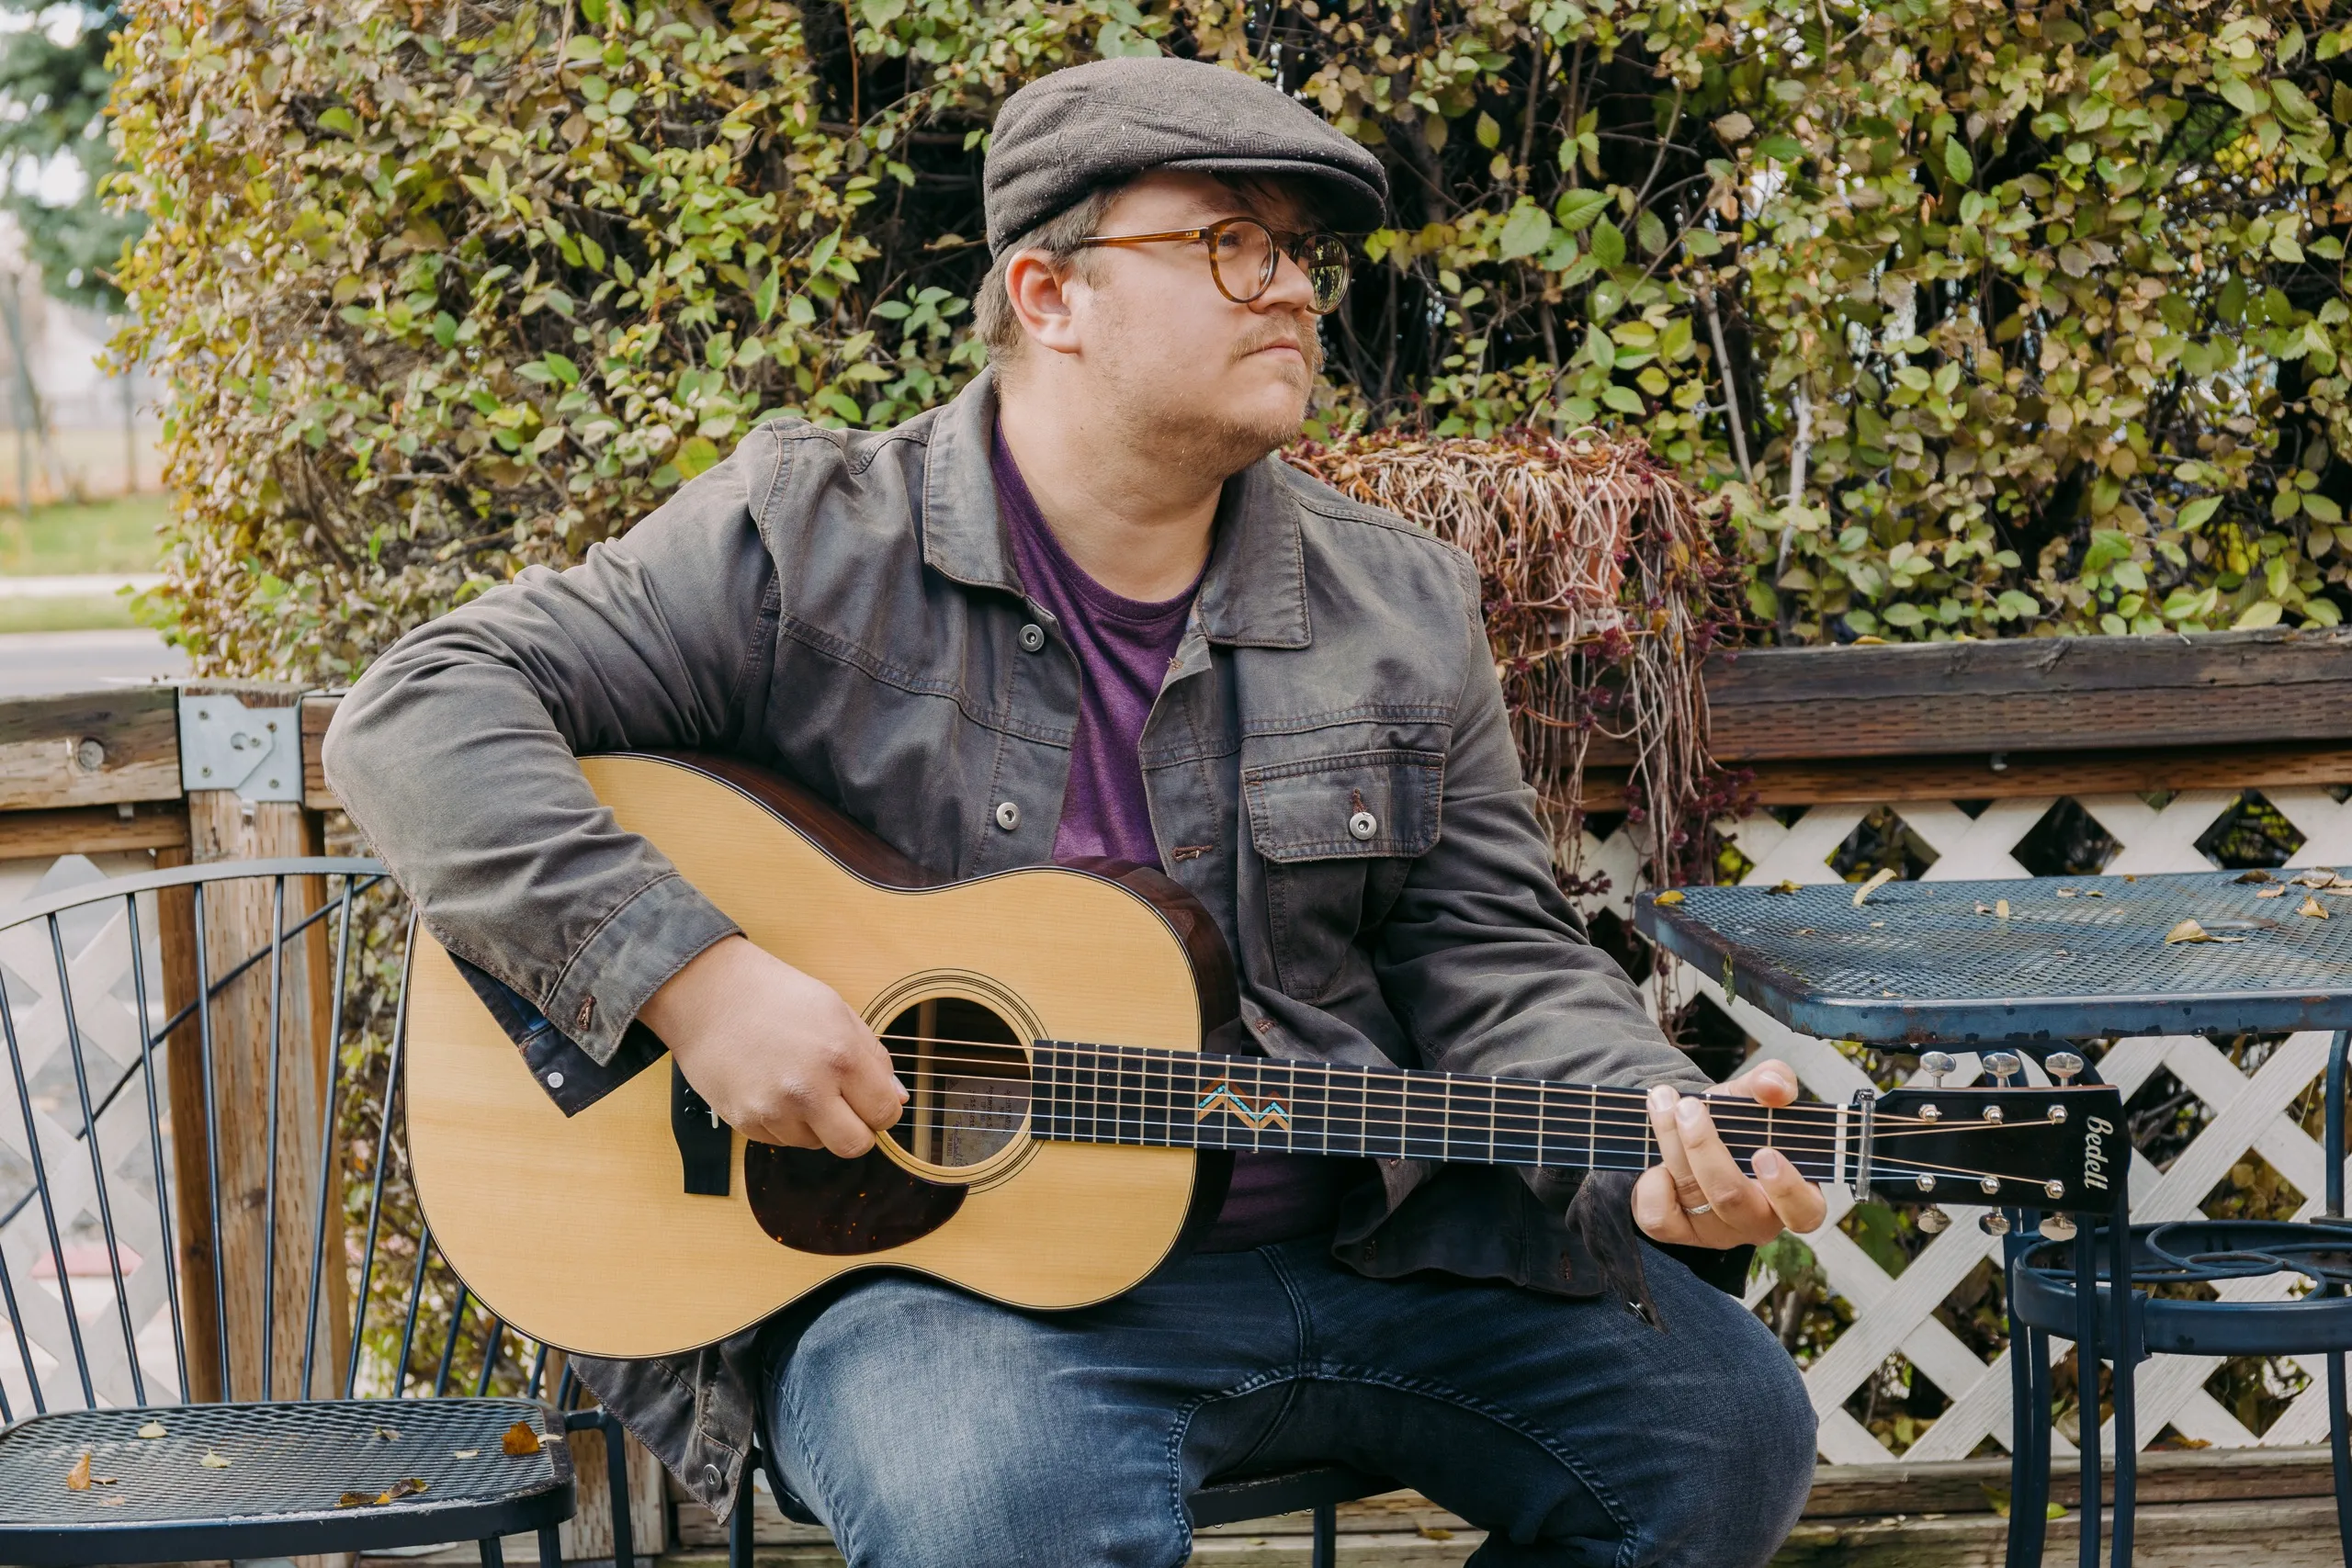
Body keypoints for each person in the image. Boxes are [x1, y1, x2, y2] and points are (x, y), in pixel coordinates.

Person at [325, 55, 1823, 1568]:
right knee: (1005, 1514)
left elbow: (1493, 950)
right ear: (1049, 294)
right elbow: (418, 710)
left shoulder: (1397, 601)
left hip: (1360, 1249)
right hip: (945, 1290)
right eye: (1229, 241)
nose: (1293, 288)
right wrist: (696, 982)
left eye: (1298, 250)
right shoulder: (812, 540)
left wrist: (1647, 1127)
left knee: (1723, 1429)